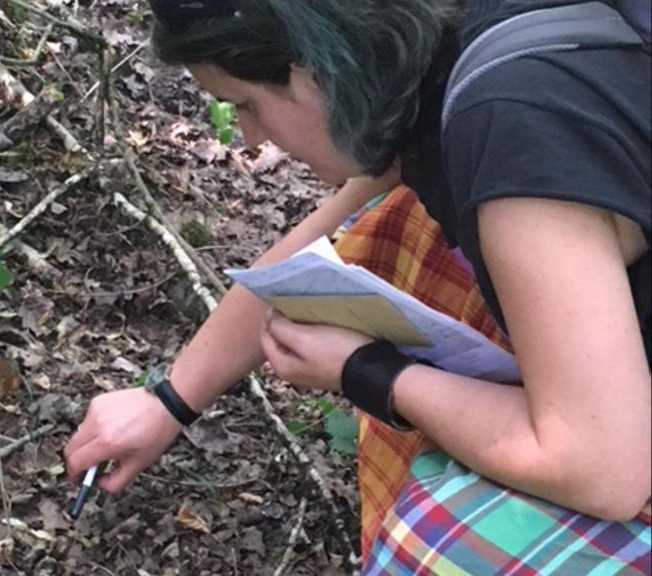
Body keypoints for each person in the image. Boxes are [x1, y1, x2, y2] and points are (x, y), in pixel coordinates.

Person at [65, 0, 652, 572]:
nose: (247, 138)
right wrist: (168, 401)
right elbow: (302, 260)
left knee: (438, 552)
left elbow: (602, 470)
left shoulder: (510, 135)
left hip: (614, 453)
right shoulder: (433, 54)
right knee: (386, 229)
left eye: (244, 104)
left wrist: (370, 374)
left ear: (310, 72)